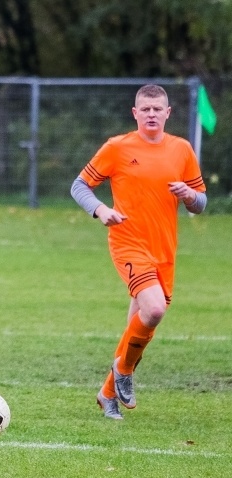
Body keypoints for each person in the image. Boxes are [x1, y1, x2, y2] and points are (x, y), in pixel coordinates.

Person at [70, 84, 207, 420]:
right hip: (127, 241)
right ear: (135, 113)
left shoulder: (182, 149)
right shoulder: (118, 147)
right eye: (144, 109)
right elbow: (79, 185)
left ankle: (107, 394)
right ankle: (125, 371)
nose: (150, 114)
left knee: (141, 325)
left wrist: (189, 195)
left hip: (164, 249)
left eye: (156, 109)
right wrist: (101, 211)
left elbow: (201, 203)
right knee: (155, 309)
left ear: (167, 113)